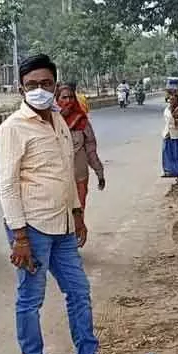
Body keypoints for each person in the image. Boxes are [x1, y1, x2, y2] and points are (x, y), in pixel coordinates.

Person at [0, 54, 130, 354]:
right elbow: (8, 185)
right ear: (20, 88)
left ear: (55, 86)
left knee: (79, 291)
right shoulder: (12, 128)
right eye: (31, 85)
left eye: (45, 84)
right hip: (31, 228)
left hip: (63, 225)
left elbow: (66, 173)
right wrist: (20, 237)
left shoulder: (58, 121)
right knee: (31, 299)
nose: (38, 90)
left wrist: (78, 214)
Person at [57, 84, 106, 247]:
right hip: (57, 178)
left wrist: (99, 172)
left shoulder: (82, 122)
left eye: (71, 97)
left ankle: (74, 240)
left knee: (78, 209)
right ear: (57, 99)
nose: (68, 101)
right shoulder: (49, 122)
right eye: (64, 97)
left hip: (79, 176)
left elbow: (91, 150)